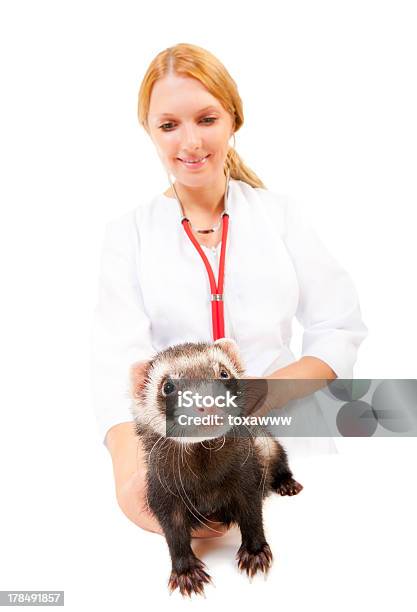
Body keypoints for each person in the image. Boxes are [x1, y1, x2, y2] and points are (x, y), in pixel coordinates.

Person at [91, 43, 368, 538]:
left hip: (290, 445)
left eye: (206, 118)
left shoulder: (282, 215)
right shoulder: (127, 234)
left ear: (234, 120)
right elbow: (119, 367)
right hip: (187, 462)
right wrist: (131, 484)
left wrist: (262, 393)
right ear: (150, 133)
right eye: (169, 125)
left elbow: (338, 329)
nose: (190, 142)